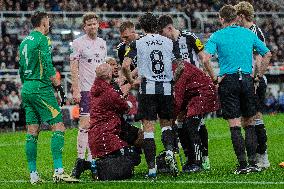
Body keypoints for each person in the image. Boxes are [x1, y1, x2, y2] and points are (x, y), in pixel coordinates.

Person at [202, 5, 272, 174]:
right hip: (247, 79)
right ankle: (254, 163)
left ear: (221, 19)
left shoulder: (217, 35)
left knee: (234, 124)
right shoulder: (248, 33)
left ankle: (242, 166)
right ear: (236, 18)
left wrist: (214, 78)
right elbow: (268, 54)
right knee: (249, 123)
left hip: (229, 80)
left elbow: (204, 58)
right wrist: (257, 76)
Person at [19, 11, 78, 184]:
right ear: (43, 22)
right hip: (40, 88)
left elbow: (22, 67)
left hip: (27, 88)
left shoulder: (24, 42)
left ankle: (33, 176)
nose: (49, 24)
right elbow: (47, 64)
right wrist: (58, 87)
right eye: (49, 21)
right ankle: (59, 171)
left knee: (32, 131)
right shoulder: (42, 39)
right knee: (58, 126)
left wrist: (28, 85)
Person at [122, 13, 181, 178]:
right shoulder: (170, 42)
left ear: (142, 27)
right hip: (166, 89)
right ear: (156, 26)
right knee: (166, 125)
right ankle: (169, 151)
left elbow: (125, 66)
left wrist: (131, 81)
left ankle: (152, 170)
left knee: (148, 130)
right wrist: (173, 81)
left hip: (147, 89)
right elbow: (181, 66)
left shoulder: (137, 43)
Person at [158, 14, 211, 171]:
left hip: (195, 88)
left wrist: (210, 76)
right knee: (181, 122)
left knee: (195, 123)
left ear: (169, 28)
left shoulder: (189, 37)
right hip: (179, 88)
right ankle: (190, 158)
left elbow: (203, 57)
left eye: (162, 33)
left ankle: (203, 157)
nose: (161, 36)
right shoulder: (165, 44)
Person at [69, 12, 107, 179]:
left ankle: (92, 162)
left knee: (97, 126)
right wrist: (75, 89)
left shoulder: (102, 43)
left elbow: (103, 69)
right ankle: (79, 160)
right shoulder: (78, 43)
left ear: (98, 24)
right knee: (85, 125)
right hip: (86, 90)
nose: (92, 26)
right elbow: (74, 67)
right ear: (84, 26)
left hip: (101, 90)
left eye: (94, 23)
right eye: (89, 24)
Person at [88, 63, 141, 180]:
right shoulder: (108, 91)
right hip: (107, 130)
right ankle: (90, 165)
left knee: (139, 137)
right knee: (130, 157)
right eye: (112, 66)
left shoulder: (97, 86)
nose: (115, 67)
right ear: (108, 74)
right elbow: (125, 107)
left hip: (113, 126)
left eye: (116, 65)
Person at [235, 1, 270, 169]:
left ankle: (263, 155)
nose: (235, 20)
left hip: (254, 80)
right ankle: (257, 154)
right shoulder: (245, 31)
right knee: (246, 119)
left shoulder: (254, 31)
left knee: (255, 118)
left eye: (236, 17)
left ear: (241, 16)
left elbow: (260, 57)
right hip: (247, 79)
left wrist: (257, 77)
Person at [173, 61, 220, 173]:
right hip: (191, 93)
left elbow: (178, 99)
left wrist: (170, 118)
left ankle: (198, 162)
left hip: (202, 93)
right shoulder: (175, 66)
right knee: (183, 125)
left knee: (191, 126)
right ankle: (190, 159)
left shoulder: (179, 71)